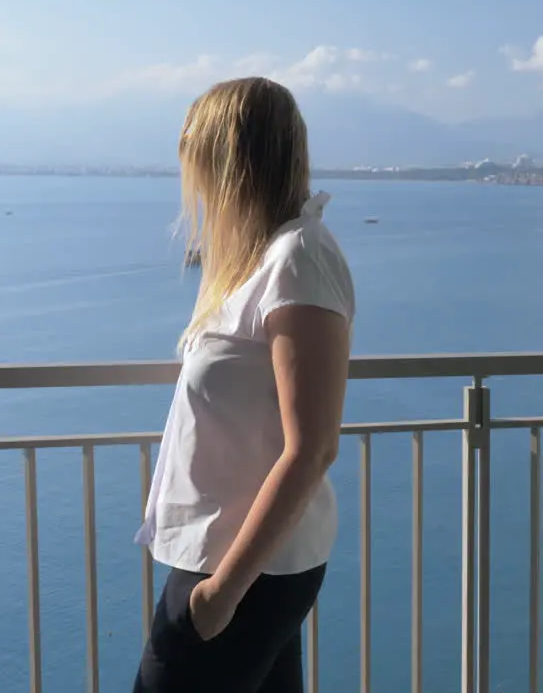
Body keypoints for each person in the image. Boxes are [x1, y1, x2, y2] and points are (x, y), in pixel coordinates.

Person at [133, 77, 356, 692]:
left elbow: (312, 447)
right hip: (238, 561)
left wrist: (220, 595)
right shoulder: (266, 258)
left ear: (231, 163)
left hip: (239, 569)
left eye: (200, 164)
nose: (197, 188)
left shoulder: (297, 259)